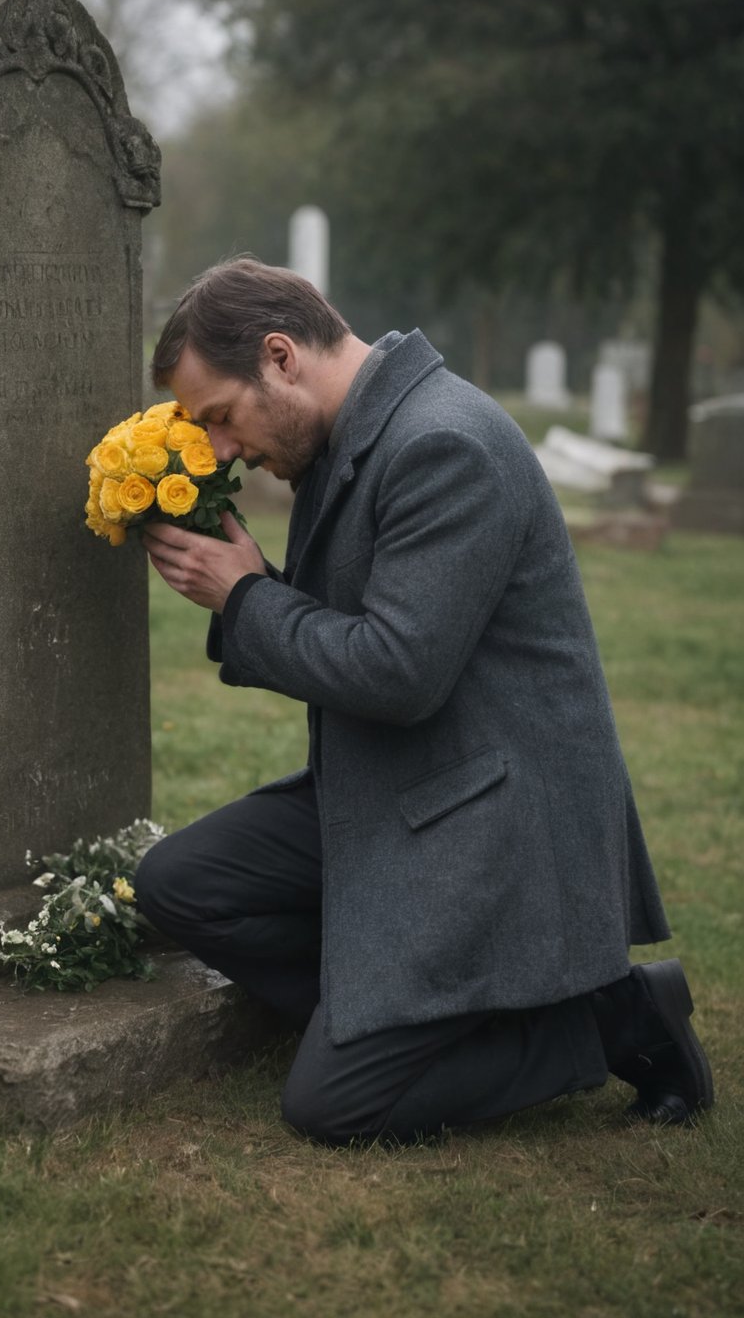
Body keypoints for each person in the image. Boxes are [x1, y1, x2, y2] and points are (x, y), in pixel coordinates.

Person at [135, 256, 713, 1147]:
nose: (220, 449)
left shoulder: (446, 443)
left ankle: (606, 1020)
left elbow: (398, 672)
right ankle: (399, 1007)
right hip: (404, 783)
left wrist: (248, 598)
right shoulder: (351, 434)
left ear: (281, 358)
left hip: (493, 818)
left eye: (220, 417)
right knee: (180, 885)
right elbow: (364, 637)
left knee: (332, 1106)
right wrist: (253, 591)